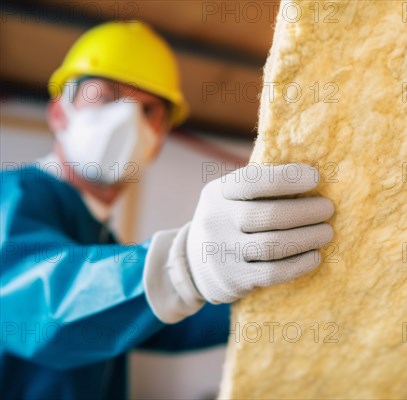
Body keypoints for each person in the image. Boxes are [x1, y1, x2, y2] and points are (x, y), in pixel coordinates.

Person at [0, 21, 334, 399]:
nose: (125, 120)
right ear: (59, 113)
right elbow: (35, 306)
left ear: (157, 142)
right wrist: (185, 265)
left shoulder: (100, 234)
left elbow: (159, 323)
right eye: (105, 95)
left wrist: (262, 291)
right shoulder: (12, 196)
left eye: (148, 110)